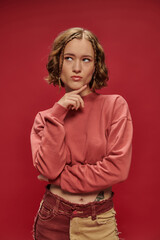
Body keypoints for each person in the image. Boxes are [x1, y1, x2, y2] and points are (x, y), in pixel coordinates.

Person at [30, 27, 133, 240]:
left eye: (86, 60)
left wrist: (58, 179)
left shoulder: (115, 106)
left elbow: (117, 169)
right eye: (69, 58)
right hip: (52, 219)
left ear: (96, 66)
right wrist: (58, 113)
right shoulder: (46, 118)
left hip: (98, 222)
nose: (77, 67)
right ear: (58, 64)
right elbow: (49, 168)